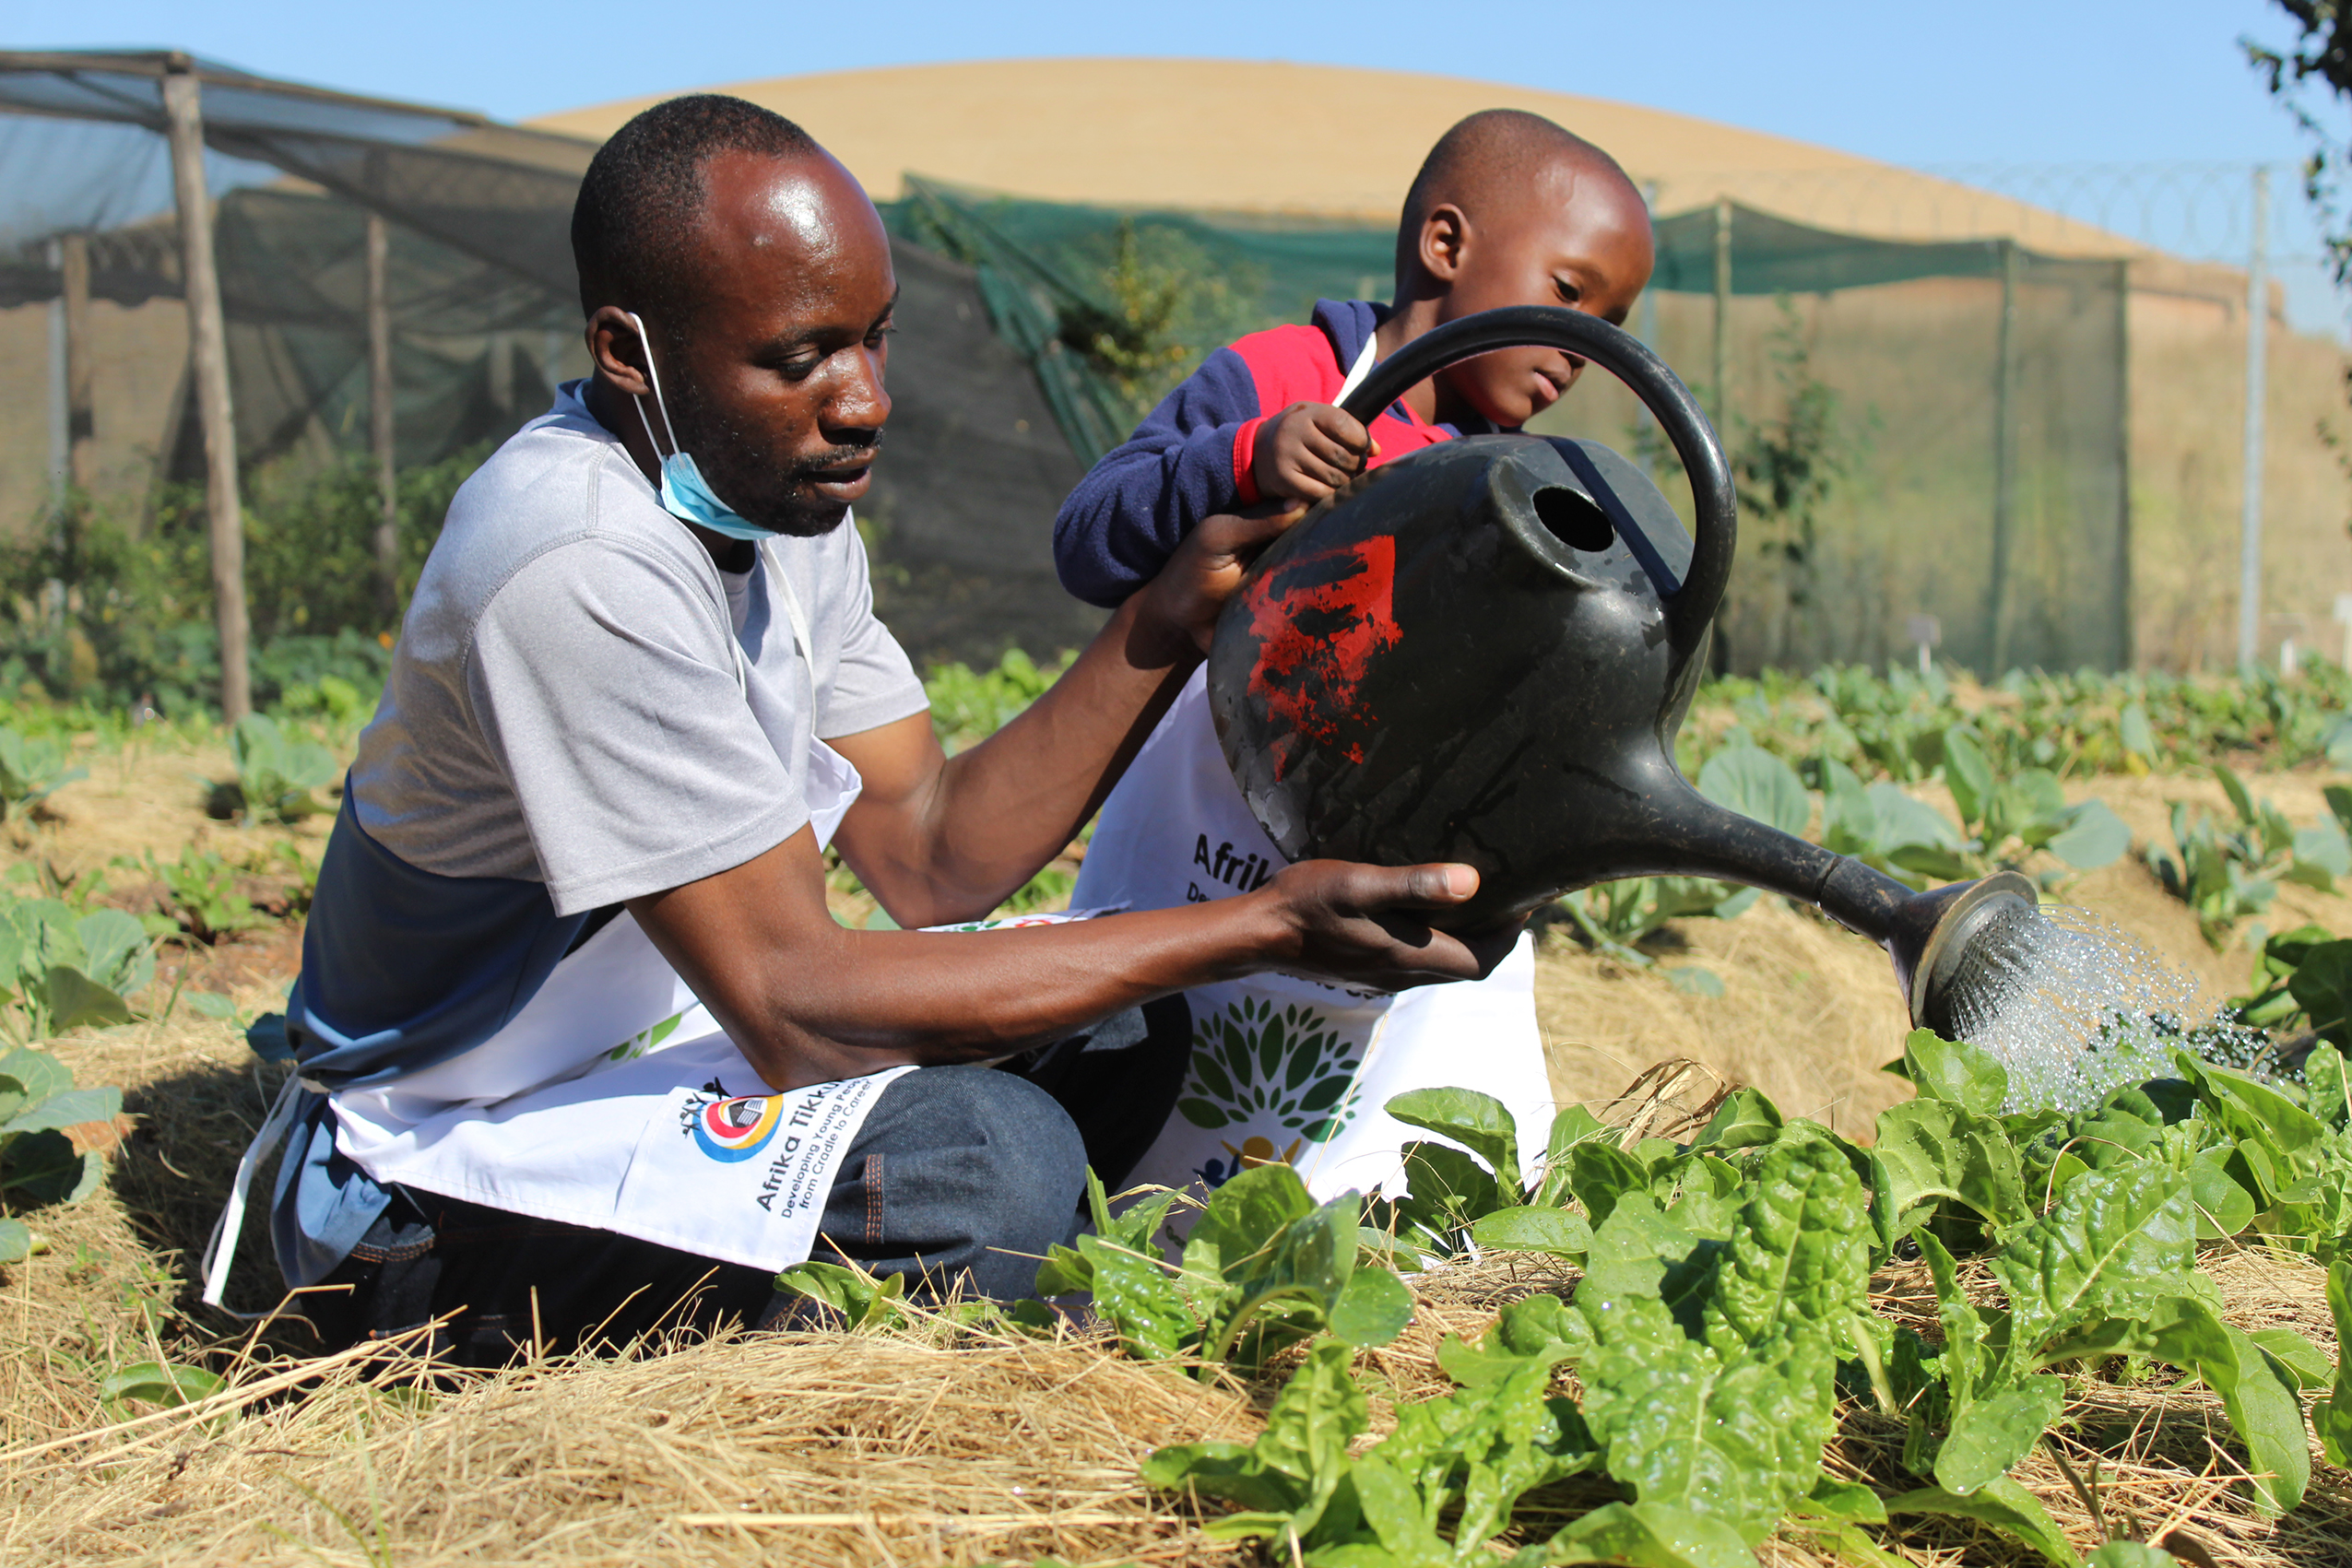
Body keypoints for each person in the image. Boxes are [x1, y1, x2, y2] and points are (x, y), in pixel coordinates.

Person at [206, 95, 1513, 1365]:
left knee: (1114, 1035)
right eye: (801, 357)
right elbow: (800, 1012)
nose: (864, 398)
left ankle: (973, 1280)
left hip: (665, 1039)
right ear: (628, 350)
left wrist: (1165, 616)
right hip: (428, 1153)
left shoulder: (771, 502)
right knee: (991, 1162)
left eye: (873, 339)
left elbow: (930, 853)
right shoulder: (577, 560)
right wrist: (1261, 922)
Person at [1053, 111, 1655, 1202]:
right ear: (1445, 246)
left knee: (1386, 1183)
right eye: (1569, 296)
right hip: (1199, 862)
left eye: (1609, 322)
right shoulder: (1280, 376)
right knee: (1144, 1132)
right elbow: (1088, 535)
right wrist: (1240, 457)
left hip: (1388, 908)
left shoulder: (1517, 490)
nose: (1582, 350)